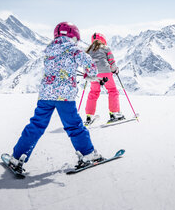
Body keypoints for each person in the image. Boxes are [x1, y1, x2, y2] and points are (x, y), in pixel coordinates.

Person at [6, 22, 104, 173]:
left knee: (36, 125)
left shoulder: (49, 50)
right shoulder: (73, 49)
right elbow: (89, 63)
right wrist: (90, 75)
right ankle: (88, 155)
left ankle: (17, 157)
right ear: (73, 36)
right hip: (64, 97)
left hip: (45, 95)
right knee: (74, 126)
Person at [84, 32, 125, 125]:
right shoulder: (106, 48)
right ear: (103, 40)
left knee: (93, 93)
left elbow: (85, 63)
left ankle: (89, 117)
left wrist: (87, 74)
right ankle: (114, 114)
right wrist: (115, 70)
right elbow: (111, 61)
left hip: (93, 74)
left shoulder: (88, 50)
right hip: (105, 72)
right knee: (112, 90)